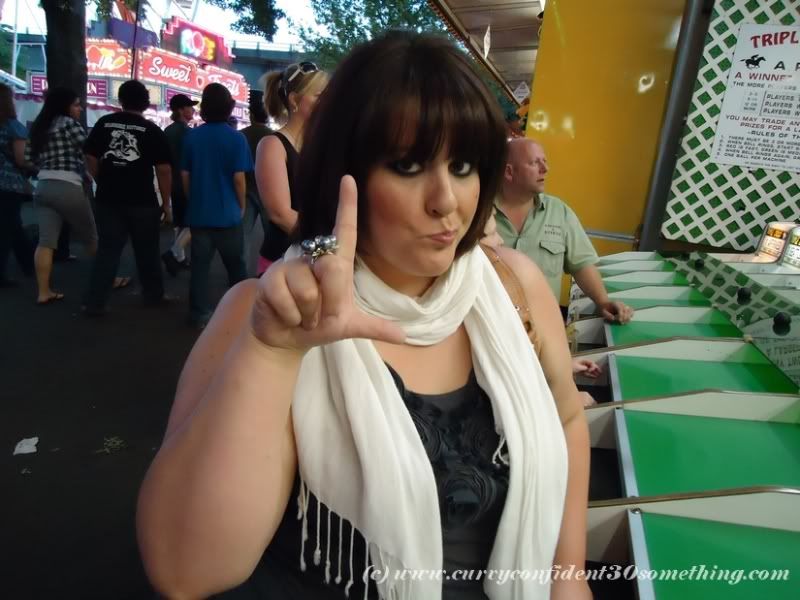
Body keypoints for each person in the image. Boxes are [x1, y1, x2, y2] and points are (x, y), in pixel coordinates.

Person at [137, 32, 591, 600]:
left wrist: (568, 574)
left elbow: (567, 420)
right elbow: (185, 570)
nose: (446, 201)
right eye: (407, 165)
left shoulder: (513, 287)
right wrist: (272, 354)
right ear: (342, 171)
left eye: (463, 165)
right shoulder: (266, 317)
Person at [495, 138, 633, 323]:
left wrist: (602, 302)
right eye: (535, 163)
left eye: (545, 161)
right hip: (488, 323)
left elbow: (582, 265)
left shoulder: (559, 212)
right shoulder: (479, 212)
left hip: (542, 326)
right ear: (509, 172)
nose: (545, 169)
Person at [82, 79, 173, 316]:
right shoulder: (151, 130)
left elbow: (90, 156)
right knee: (147, 250)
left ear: (121, 100)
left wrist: (101, 178)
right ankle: (153, 295)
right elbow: (163, 169)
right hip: (142, 200)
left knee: (108, 250)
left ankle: (95, 302)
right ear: (146, 102)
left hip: (108, 198)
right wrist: (166, 203)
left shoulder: (104, 123)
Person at [180, 82, 252, 329]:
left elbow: (185, 175)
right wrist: (241, 206)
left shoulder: (192, 137)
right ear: (228, 107)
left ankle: (198, 313)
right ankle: (242, 313)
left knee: (200, 268)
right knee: (236, 267)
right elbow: (239, 179)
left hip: (199, 214)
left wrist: (193, 199)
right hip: (228, 214)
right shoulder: (237, 138)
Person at [25, 87, 98, 304]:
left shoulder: (39, 127)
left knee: (46, 242)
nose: (80, 109)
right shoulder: (69, 124)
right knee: (91, 237)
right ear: (64, 106)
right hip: (68, 186)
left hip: (43, 186)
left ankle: (43, 291)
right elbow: (89, 149)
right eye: (76, 105)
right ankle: (109, 279)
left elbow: (28, 158)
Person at [255, 61, 328, 273]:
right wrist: (326, 247)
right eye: (319, 96)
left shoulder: (320, 145)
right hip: (284, 262)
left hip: (317, 259)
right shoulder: (272, 145)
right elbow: (280, 214)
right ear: (294, 99)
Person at [0, 83, 34, 287]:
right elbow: (21, 159)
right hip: (8, 183)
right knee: (8, 228)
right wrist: (36, 167)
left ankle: (28, 263)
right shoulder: (13, 126)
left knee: (12, 226)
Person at [161, 93, 198, 276]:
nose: (193, 110)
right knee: (194, 221)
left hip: (172, 182)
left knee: (180, 221)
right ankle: (174, 253)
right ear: (181, 110)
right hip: (187, 183)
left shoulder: (167, 131)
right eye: (190, 107)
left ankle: (180, 257)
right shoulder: (189, 133)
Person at [239, 91, 271, 276]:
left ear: (250, 115)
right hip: (268, 192)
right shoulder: (274, 136)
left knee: (243, 235)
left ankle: (241, 275)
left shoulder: (241, 135)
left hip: (246, 190)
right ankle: (270, 273)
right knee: (272, 235)